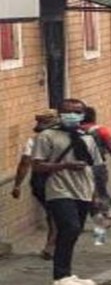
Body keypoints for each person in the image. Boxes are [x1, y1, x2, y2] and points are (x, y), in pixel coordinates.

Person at [32, 98, 103, 285]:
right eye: (67, 111)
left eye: (77, 112)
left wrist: (95, 195)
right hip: (59, 189)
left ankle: (67, 274)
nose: (72, 115)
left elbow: (93, 167)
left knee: (74, 231)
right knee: (68, 227)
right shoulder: (47, 136)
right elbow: (37, 165)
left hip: (83, 189)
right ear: (60, 113)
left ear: (83, 115)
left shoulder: (87, 137)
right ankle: (60, 275)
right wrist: (64, 165)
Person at [12, 109, 61, 260]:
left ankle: (51, 244)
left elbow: (24, 163)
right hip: (58, 180)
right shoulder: (64, 138)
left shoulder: (34, 140)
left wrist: (17, 185)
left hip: (40, 181)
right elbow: (25, 163)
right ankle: (51, 246)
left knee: (52, 213)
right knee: (56, 214)